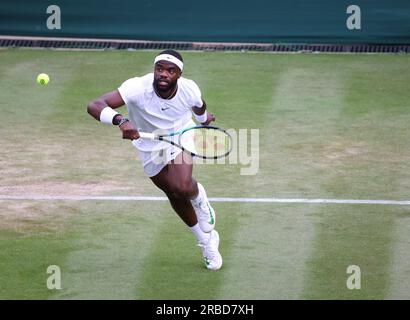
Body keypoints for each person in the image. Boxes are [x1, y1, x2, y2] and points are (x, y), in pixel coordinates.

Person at [87, 50, 222, 270]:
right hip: (149, 143)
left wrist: (203, 119)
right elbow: (95, 105)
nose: (164, 74)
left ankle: (199, 198)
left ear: (179, 74)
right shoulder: (137, 87)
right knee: (173, 192)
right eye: (159, 69)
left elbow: (199, 105)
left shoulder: (189, 89)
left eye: (171, 71)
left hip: (179, 134)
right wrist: (120, 120)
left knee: (182, 185)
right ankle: (207, 241)